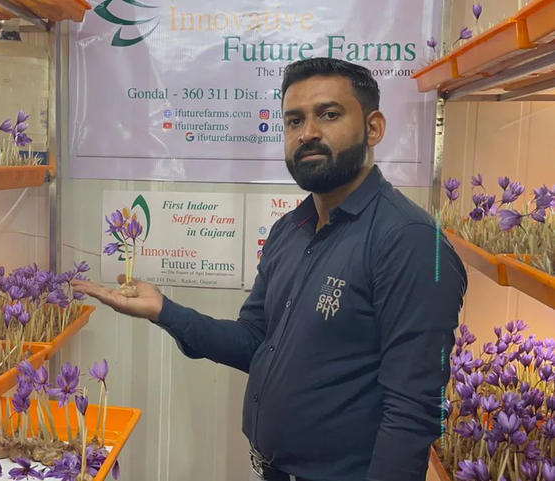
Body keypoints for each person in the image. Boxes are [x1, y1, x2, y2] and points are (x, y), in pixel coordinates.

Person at [72, 57, 468, 481]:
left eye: (328, 115)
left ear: (373, 128)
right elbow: (253, 342)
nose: (307, 133)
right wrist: (165, 311)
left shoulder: (408, 241)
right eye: (294, 120)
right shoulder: (291, 229)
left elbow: (412, 411)